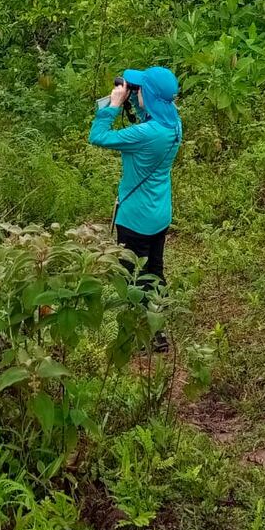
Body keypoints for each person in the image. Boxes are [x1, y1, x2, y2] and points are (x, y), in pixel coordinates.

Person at [89, 66, 183, 350]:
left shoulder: (144, 135)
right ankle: (159, 329)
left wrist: (113, 106)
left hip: (135, 218)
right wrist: (133, 99)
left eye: (139, 90)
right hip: (160, 212)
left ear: (149, 95)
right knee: (154, 270)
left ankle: (141, 335)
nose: (135, 92)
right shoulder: (173, 122)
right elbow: (149, 117)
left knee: (131, 277)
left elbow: (98, 136)